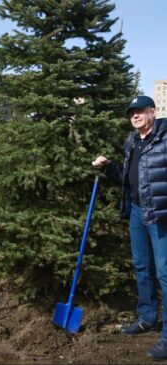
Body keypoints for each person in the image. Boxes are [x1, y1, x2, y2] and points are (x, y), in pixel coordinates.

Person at [92, 95, 167, 361]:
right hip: (136, 211)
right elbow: (128, 177)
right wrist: (110, 166)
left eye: (140, 111)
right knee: (142, 266)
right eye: (131, 112)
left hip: (160, 215)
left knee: (165, 273)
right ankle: (147, 317)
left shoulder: (164, 138)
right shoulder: (132, 141)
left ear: (152, 112)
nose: (134, 116)